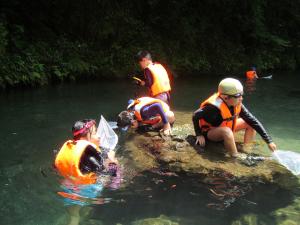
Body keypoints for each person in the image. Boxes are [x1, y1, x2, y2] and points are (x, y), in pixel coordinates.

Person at [192, 78, 277, 157]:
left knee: (249, 123)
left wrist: (269, 141)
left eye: (242, 95)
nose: (241, 98)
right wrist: (198, 134)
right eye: (238, 96)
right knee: (227, 131)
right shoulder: (213, 107)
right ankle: (235, 156)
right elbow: (195, 115)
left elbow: (253, 120)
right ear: (226, 97)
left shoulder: (237, 103)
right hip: (211, 133)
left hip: (226, 127)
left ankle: (247, 150)